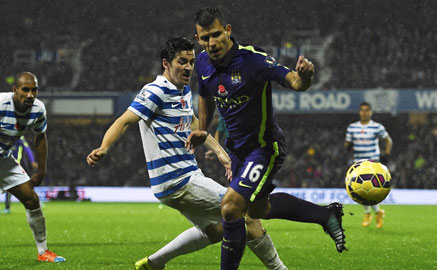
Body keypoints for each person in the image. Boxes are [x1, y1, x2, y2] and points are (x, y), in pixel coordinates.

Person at [86, 37, 287, 270]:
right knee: (245, 211)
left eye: (191, 61)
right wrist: (104, 147)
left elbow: (193, 123)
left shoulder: (180, 90)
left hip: (180, 180)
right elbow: (125, 120)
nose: (189, 67)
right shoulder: (155, 90)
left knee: (216, 230)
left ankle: (154, 264)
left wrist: (222, 155)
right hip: (179, 179)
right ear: (166, 63)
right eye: (182, 61)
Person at [187, 7, 347, 270]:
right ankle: (325, 214)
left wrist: (305, 77)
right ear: (198, 39)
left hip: (264, 149)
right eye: (205, 38)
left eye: (216, 34)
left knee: (230, 209)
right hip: (237, 151)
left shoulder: (253, 60)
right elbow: (205, 95)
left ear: (228, 31)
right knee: (257, 211)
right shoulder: (203, 63)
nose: (211, 43)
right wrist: (203, 129)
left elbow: (294, 81)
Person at [0, 72, 65, 262]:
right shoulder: (1, 104)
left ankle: (43, 252)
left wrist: (41, 170)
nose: (30, 94)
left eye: (34, 90)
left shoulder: (38, 109)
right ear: (15, 90)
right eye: (25, 90)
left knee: (31, 198)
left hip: (4, 159)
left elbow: (40, 136)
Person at [344, 102, 392, 228]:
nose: (364, 113)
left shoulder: (377, 127)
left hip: (372, 163)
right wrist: (347, 147)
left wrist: (386, 155)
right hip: (358, 163)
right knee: (362, 189)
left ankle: (368, 213)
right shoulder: (352, 128)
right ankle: (377, 212)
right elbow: (347, 143)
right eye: (362, 110)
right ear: (359, 112)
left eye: (367, 110)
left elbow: (388, 140)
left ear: (370, 112)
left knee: (368, 189)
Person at [2, 136, 38, 214]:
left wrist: (32, 161)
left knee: (17, 184)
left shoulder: (19, 137)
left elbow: (27, 149)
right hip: (5, 164)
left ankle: (35, 201)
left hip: (15, 164)